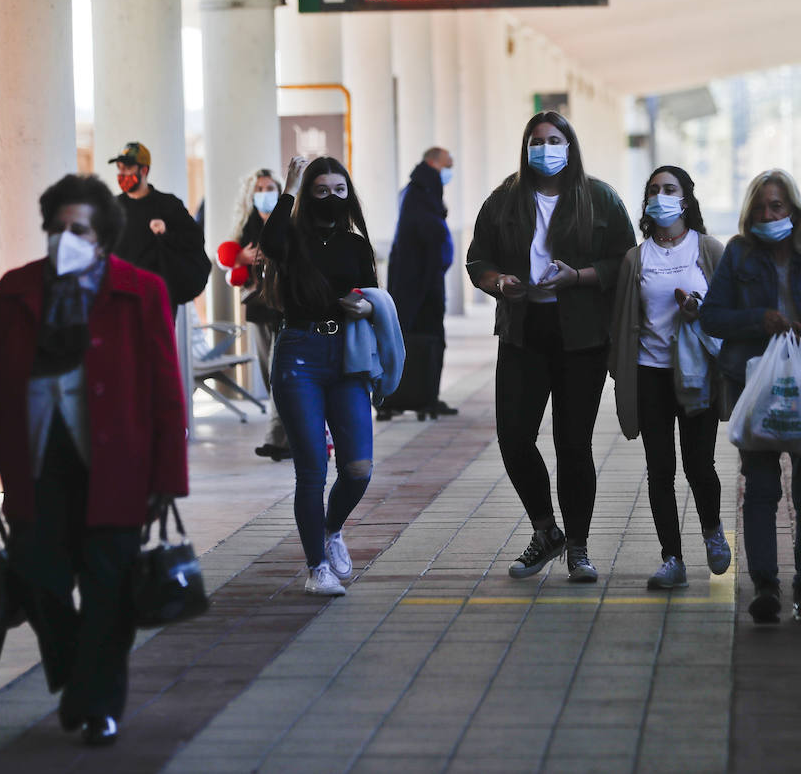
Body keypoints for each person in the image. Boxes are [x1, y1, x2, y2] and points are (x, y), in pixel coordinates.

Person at [0, 174, 187, 746]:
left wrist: (168, 476)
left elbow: (166, 389)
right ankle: (73, 668)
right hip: (36, 463)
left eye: (79, 229)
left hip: (117, 467)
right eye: (58, 228)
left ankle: (97, 706)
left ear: (103, 237)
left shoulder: (141, 290)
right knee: (37, 577)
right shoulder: (15, 291)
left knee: (109, 588)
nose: (67, 237)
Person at [466, 111, 635, 583]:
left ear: (570, 144)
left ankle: (577, 547)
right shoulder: (505, 199)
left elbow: (626, 259)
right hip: (524, 332)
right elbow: (478, 258)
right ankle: (546, 530)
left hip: (582, 336)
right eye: (537, 141)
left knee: (572, 444)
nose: (545, 148)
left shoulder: (598, 197)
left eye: (554, 139)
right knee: (514, 437)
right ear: (525, 147)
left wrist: (578, 277)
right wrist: (499, 282)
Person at [699, 170, 801, 623]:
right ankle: (765, 586)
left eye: (778, 207)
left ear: (794, 210)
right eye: (761, 208)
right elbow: (712, 317)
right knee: (761, 488)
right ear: (750, 214)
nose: (769, 215)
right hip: (758, 386)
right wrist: (757, 320)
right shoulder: (739, 255)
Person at [260, 155, 380, 597]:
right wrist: (289, 186)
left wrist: (366, 307)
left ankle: (331, 530)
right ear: (308, 195)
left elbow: (372, 295)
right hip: (298, 355)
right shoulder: (291, 238)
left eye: (340, 191)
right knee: (312, 469)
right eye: (321, 191)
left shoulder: (356, 244)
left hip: (346, 358)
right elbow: (269, 242)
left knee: (359, 468)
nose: (331, 198)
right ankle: (316, 568)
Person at [610, 165, 731, 589]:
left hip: (696, 373)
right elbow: (624, 320)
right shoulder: (636, 257)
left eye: (670, 188)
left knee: (700, 465)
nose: (661, 196)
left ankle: (713, 531)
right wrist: (620, 373)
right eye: (654, 190)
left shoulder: (710, 250)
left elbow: (730, 312)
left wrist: (701, 309)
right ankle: (672, 559)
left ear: (686, 198)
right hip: (650, 374)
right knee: (659, 469)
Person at [382, 146, 458, 420]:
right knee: (420, 338)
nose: (450, 171)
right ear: (433, 162)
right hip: (419, 283)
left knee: (424, 339)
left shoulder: (424, 189)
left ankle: (425, 396)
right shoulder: (420, 191)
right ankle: (413, 397)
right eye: (448, 164)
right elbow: (426, 235)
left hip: (422, 281)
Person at [230, 168, 289, 460]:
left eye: (270, 187)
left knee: (280, 373)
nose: (265, 193)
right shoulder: (246, 228)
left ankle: (276, 439)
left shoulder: (289, 222)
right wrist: (241, 258)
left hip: (286, 307)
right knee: (270, 374)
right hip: (258, 308)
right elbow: (232, 264)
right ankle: (286, 437)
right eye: (260, 188)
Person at [109, 141, 211, 306]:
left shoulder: (168, 204)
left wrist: (166, 234)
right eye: (119, 168)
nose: (122, 173)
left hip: (159, 296)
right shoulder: (112, 207)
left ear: (144, 170)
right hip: (123, 295)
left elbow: (195, 239)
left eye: (127, 168)